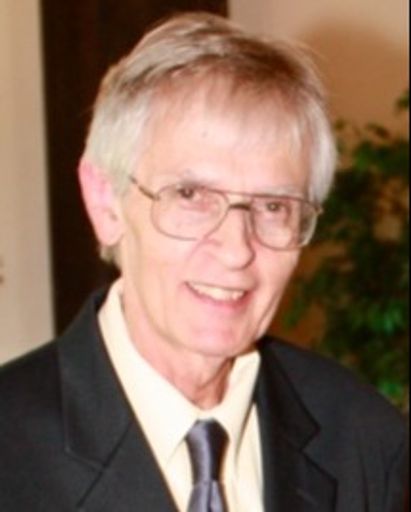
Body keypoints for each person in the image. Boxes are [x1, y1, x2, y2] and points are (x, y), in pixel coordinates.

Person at [0, 12, 407, 512]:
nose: (236, 250)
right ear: (106, 203)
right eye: (191, 195)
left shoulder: (363, 439)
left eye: (273, 206)